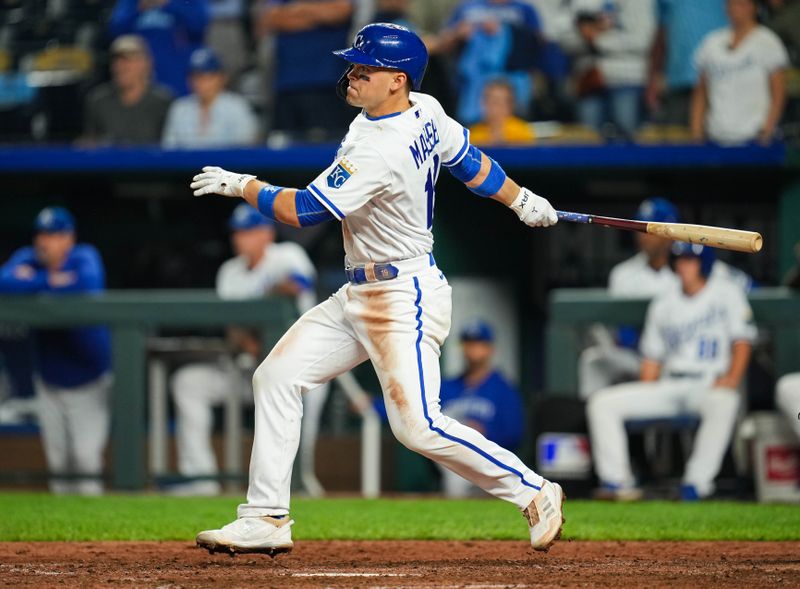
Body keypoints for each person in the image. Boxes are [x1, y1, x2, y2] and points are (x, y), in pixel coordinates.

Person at [189, 22, 564, 556]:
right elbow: (468, 161)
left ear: (398, 80)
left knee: (418, 427)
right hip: (359, 292)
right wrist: (520, 199)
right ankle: (266, 517)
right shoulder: (424, 108)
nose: (352, 75)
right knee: (275, 377)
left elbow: (303, 211)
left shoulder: (380, 147)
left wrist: (242, 184)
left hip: (402, 296)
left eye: (366, 68)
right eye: (353, 65)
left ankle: (534, 490)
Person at [169, 203, 327, 496]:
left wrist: (267, 293)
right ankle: (199, 479)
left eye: (250, 231)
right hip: (249, 367)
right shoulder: (229, 272)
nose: (242, 239)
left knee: (298, 454)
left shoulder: (287, 255)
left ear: (267, 233)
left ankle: (298, 491)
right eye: (238, 233)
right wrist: (250, 339)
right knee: (188, 382)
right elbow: (233, 327)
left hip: (302, 372)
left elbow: (299, 285)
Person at [587, 241, 756, 501]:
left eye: (690, 260)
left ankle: (696, 484)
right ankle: (617, 481)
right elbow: (652, 360)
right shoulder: (665, 301)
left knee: (725, 401)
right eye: (680, 260)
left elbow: (742, 341)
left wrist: (732, 378)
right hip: (670, 383)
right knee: (602, 403)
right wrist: (643, 395)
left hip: (707, 384)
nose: (683, 265)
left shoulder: (726, 293)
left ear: (705, 264)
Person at [0, 207, 112, 495]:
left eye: (53, 234)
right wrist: (51, 282)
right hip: (49, 379)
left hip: (89, 376)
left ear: (68, 238)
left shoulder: (84, 255)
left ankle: (96, 537)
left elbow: (88, 283)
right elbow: (4, 281)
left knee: (85, 461)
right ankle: (70, 541)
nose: (44, 241)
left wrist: (34, 284)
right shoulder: (27, 257)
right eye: (42, 234)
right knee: (59, 464)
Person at [578, 198, 680, 398]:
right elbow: (621, 332)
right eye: (641, 228)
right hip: (635, 356)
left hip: (674, 358)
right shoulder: (623, 274)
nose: (644, 236)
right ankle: (591, 422)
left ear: (670, 233)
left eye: (650, 229)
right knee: (593, 360)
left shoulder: (687, 272)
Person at [438, 321, 525, 497]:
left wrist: (483, 432)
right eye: (469, 343)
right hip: (452, 464)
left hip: (489, 465)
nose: (473, 349)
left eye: (479, 343)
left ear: (489, 348)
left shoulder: (503, 389)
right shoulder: (448, 387)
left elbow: (515, 434)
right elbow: (416, 414)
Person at [691, 0, 789, 145]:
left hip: (754, 137)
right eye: (731, 4)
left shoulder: (768, 42)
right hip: (717, 137)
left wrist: (767, 130)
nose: (734, 8)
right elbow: (700, 92)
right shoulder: (712, 42)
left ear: (754, 8)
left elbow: (779, 92)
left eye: (741, 4)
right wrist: (696, 133)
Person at [254, 0, 354, 140]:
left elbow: (339, 12)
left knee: (329, 146)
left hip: (327, 83)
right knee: (283, 146)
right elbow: (270, 19)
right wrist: (316, 13)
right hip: (286, 84)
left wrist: (296, 9)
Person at [558, 0, 656, 139]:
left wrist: (598, 40)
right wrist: (585, 36)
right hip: (589, 80)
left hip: (627, 78)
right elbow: (561, 36)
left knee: (628, 138)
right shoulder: (579, 3)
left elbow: (643, 40)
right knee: (588, 138)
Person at [437, 0, 543, 125]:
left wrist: (505, 31)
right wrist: (457, 34)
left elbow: (537, 43)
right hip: (472, 85)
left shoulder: (524, 9)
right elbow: (444, 43)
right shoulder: (467, 7)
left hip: (512, 80)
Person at [645, 0, 728, 126]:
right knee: (678, 138)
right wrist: (653, 76)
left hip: (721, 80)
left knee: (722, 136)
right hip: (678, 79)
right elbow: (661, 31)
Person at [82, 35, 174, 146]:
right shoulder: (99, 100)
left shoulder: (164, 101)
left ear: (146, 63)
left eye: (128, 61)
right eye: (116, 61)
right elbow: (90, 142)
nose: (120, 67)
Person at [162, 47, 258, 148]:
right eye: (196, 77)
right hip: (187, 164)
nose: (202, 83)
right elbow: (169, 149)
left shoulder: (237, 107)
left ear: (222, 78)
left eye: (208, 77)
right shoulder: (180, 108)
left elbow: (245, 149)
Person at [109, 0, 209, 97]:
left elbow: (199, 25)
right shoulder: (131, 2)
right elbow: (116, 30)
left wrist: (168, 3)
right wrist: (138, 7)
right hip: (141, 76)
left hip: (179, 73)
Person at [468, 78, 536, 145]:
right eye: (487, 101)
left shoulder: (522, 133)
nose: (492, 107)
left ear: (510, 105)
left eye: (496, 102)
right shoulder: (473, 135)